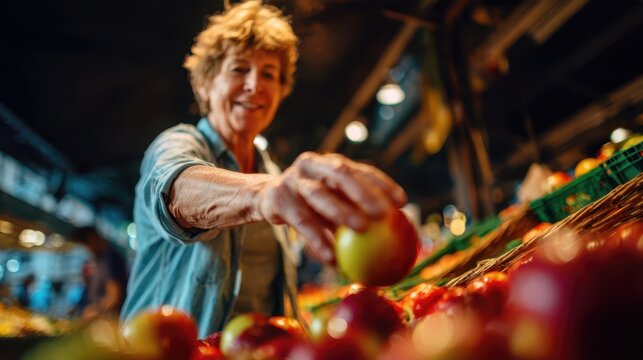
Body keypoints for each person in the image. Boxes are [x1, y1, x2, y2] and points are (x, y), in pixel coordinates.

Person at [120, 0, 407, 337]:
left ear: (281, 92)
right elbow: (175, 191)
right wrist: (262, 194)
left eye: (269, 74)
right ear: (206, 86)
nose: (255, 85)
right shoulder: (178, 143)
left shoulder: (271, 169)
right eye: (239, 69)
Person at [68, 226, 128, 320]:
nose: (86, 250)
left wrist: (94, 309)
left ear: (92, 238)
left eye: (85, 245)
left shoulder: (112, 259)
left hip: (109, 322)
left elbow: (114, 297)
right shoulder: (96, 259)